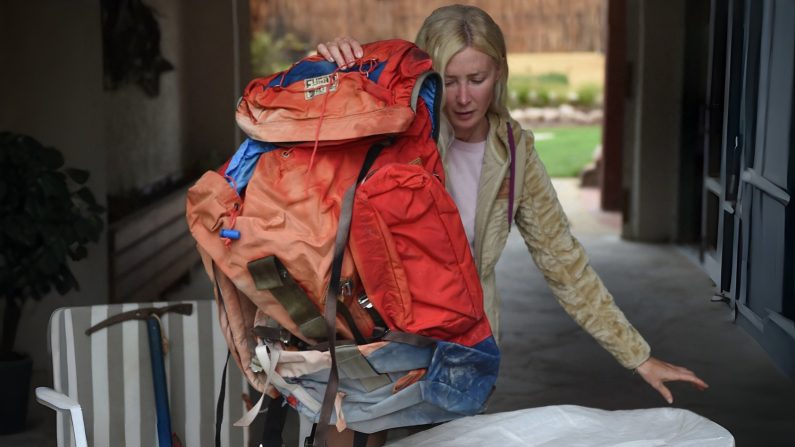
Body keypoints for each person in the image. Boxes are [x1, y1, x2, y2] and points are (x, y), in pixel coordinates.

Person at [317, 4, 709, 409]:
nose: (464, 97)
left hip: (465, 350)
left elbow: (565, 264)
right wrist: (328, 68)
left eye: (477, 79)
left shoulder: (515, 154)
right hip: (380, 336)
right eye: (449, 81)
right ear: (426, 77)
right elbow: (313, 186)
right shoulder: (390, 136)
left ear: (499, 73)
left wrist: (637, 355)